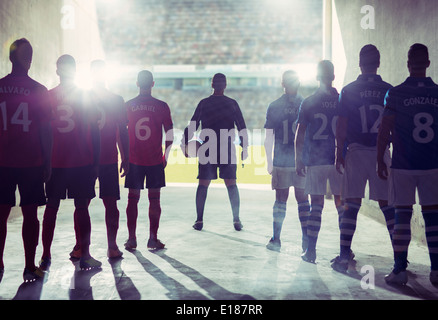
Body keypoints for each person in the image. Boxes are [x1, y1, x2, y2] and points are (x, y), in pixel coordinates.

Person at [331, 44, 395, 272]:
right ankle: (400, 261)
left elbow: (342, 125)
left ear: (359, 63)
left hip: (356, 151)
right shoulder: (389, 90)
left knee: (351, 204)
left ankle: (344, 256)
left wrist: (339, 152)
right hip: (380, 153)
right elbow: (393, 127)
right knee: (388, 206)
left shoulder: (349, 90)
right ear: (378, 63)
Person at [378, 43, 438, 285]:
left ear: (407, 63)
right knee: (433, 218)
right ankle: (436, 271)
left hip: (403, 165)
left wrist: (379, 158)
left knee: (402, 217)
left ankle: (399, 270)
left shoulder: (396, 93)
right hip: (432, 164)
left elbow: (385, 128)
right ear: (428, 64)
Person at [40, 54, 102, 271]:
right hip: (80, 160)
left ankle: (46, 256)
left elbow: (43, 131)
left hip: (56, 160)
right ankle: (85, 255)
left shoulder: (48, 96)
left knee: (51, 208)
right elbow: (94, 130)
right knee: (81, 208)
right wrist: (95, 161)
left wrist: (44, 160)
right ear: (75, 71)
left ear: (57, 71)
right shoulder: (85, 95)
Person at [0, 38, 52, 282]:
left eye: (30, 54)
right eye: (26, 54)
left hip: (5, 162)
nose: (29, 58)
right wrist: (48, 160)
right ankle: (29, 266)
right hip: (29, 161)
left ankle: (6, 264)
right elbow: (45, 129)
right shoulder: (39, 90)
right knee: (30, 214)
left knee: (4, 214)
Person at [73, 60, 128, 259]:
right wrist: (126, 156)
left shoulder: (81, 97)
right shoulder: (116, 99)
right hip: (106, 159)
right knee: (109, 204)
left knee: (82, 204)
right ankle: (111, 246)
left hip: (86, 159)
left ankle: (80, 246)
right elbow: (122, 131)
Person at [182, 73, 248, 231]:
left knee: (203, 184)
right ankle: (236, 220)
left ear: (212, 85)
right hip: (226, 147)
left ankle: (199, 220)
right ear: (225, 85)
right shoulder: (232, 103)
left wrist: (184, 144)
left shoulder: (204, 103)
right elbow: (242, 127)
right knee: (231, 184)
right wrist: (244, 148)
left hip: (207, 148)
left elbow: (192, 125)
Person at [295, 61, 343, 262]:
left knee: (316, 205)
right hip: (338, 158)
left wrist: (299, 159)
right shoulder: (342, 100)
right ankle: (345, 251)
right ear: (333, 76)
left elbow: (300, 134)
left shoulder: (309, 101)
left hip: (316, 159)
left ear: (317, 77)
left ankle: (311, 250)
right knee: (342, 205)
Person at [124, 70, 173, 250]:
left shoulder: (128, 105)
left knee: (132, 199)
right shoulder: (161, 106)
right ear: (153, 84)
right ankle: (153, 238)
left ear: (137, 83)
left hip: (134, 159)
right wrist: (165, 156)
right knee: (155, 200)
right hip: (154, 160)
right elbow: (169, 134)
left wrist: (125, 156)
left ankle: (131, 239)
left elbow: (120, 133)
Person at [264, 70, 310, 252]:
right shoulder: (305, 103)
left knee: (280, 200)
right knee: (303, 200)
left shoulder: (274, 105)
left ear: (282, 84)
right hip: (302, 160)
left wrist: (269, 161)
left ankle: (276, 239)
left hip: (282, 161)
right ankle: (306, 241)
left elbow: (269, 137)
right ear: (298, 83)